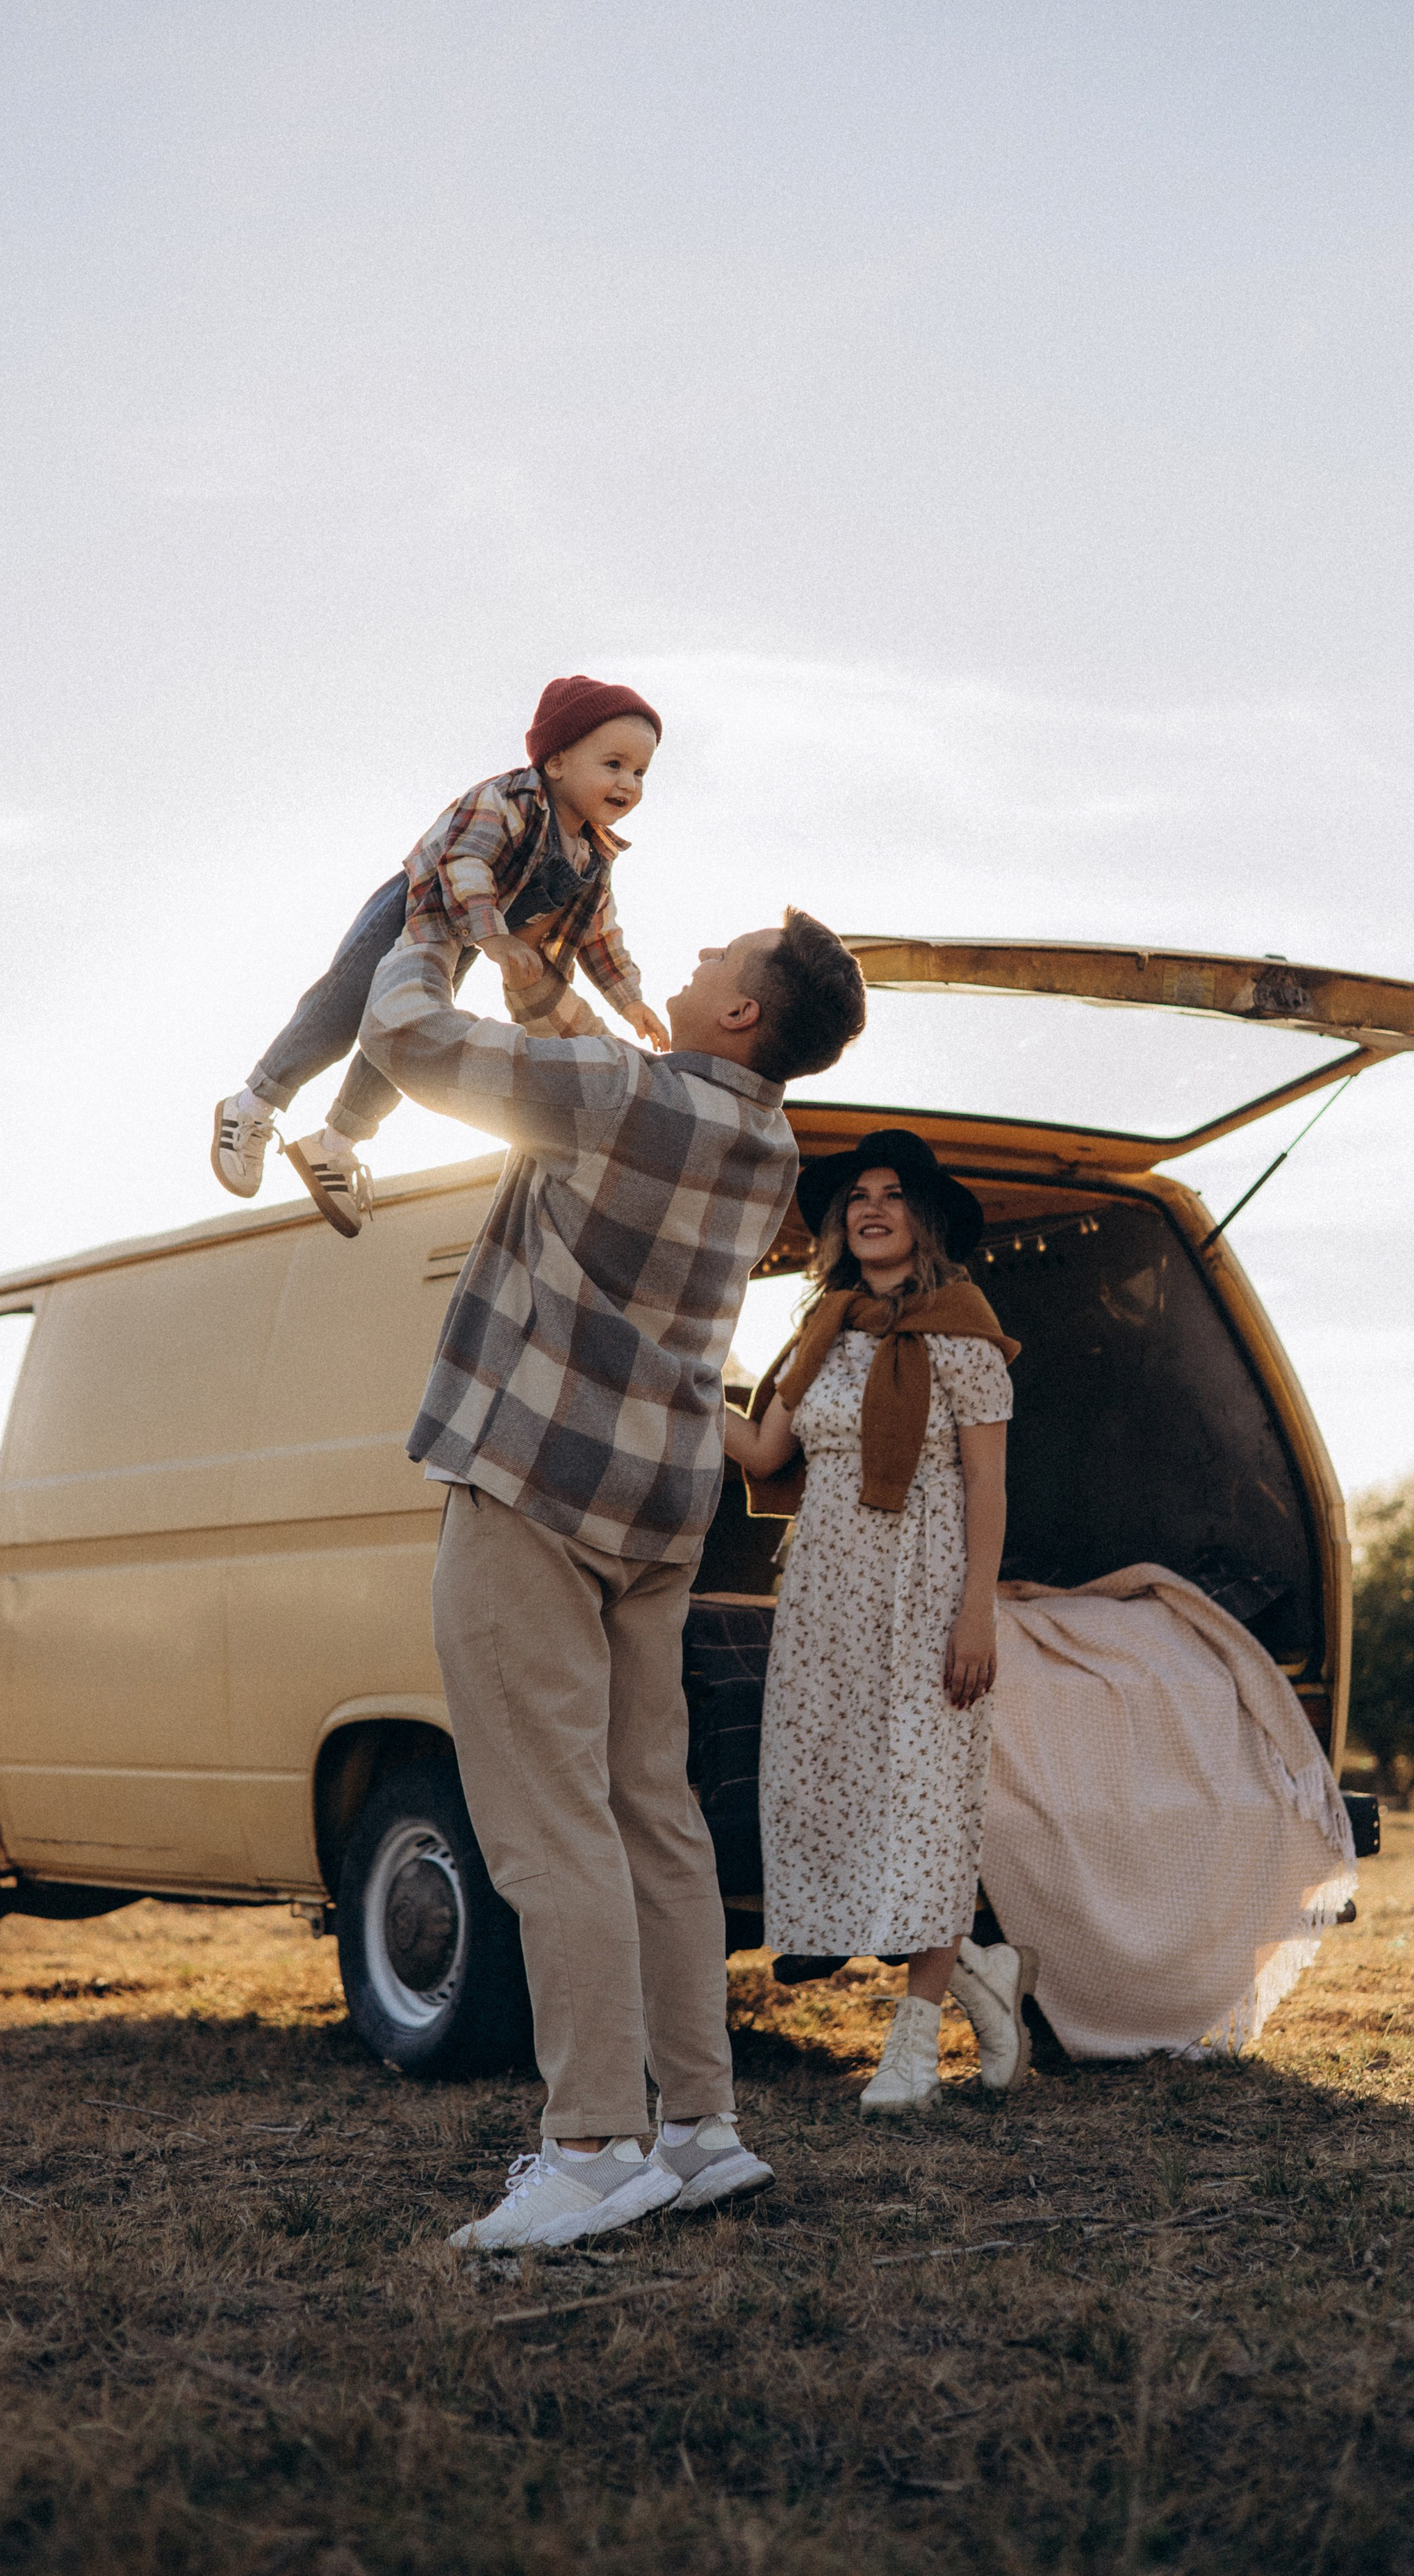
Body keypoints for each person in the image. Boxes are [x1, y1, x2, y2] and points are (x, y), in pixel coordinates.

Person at [357, 902, 869, 2249]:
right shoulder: (762, 1141)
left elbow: (406, 1037)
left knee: (544, 1824)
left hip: (531, 1485)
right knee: (653, 1816)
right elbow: (601, 1086)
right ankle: (698, 2128)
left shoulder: (623, 1095)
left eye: (716, 961)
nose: (691, 961)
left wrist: (430, 924)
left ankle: (587, 2144)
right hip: (656, 1511)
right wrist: (553, 990)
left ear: (744, 1013)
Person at [721, 1128, 1035, 2106]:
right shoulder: (821, 1328)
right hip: (826, 1596)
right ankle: (983, 1972)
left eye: (893, 1194)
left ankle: (910, 2049)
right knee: (837, 1796)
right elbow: (767, 1452)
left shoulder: (966, 1332)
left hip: (931, 1587)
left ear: (924, 1217)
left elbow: (989, 1488)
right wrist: (676, 1385)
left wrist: (975, 1614)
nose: (871, 1207)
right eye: (856, 1195)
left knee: (926, 1805)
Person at [211, 675, 673, 1236]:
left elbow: (600, 932)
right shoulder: (506, 799)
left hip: (463, 939)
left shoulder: (592, 855)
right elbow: (466, 864)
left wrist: (631, 1001)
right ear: (556, 763)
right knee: (345, 1007)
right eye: (614, 764)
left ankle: (336, 1144)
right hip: (418, 909)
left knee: (408, 1034)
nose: (629, 782)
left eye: (640, 772)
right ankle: (253, 1105)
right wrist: (494, 935)